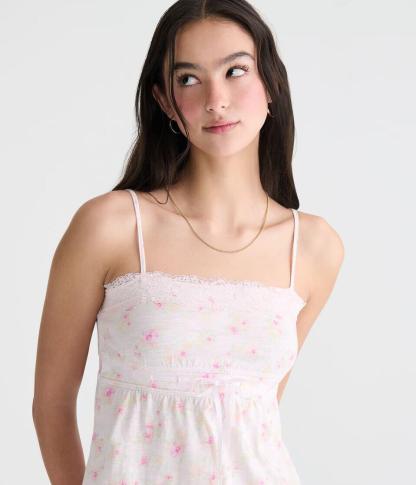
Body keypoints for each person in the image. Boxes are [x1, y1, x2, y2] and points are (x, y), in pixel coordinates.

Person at [32, 1, 344, 483]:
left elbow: (256, 414)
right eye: (189, 79)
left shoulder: (313, 248)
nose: (216, 100)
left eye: (235, 71)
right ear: (164, 101)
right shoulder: (111, 227)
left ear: (271, 83)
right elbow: (51, 405)